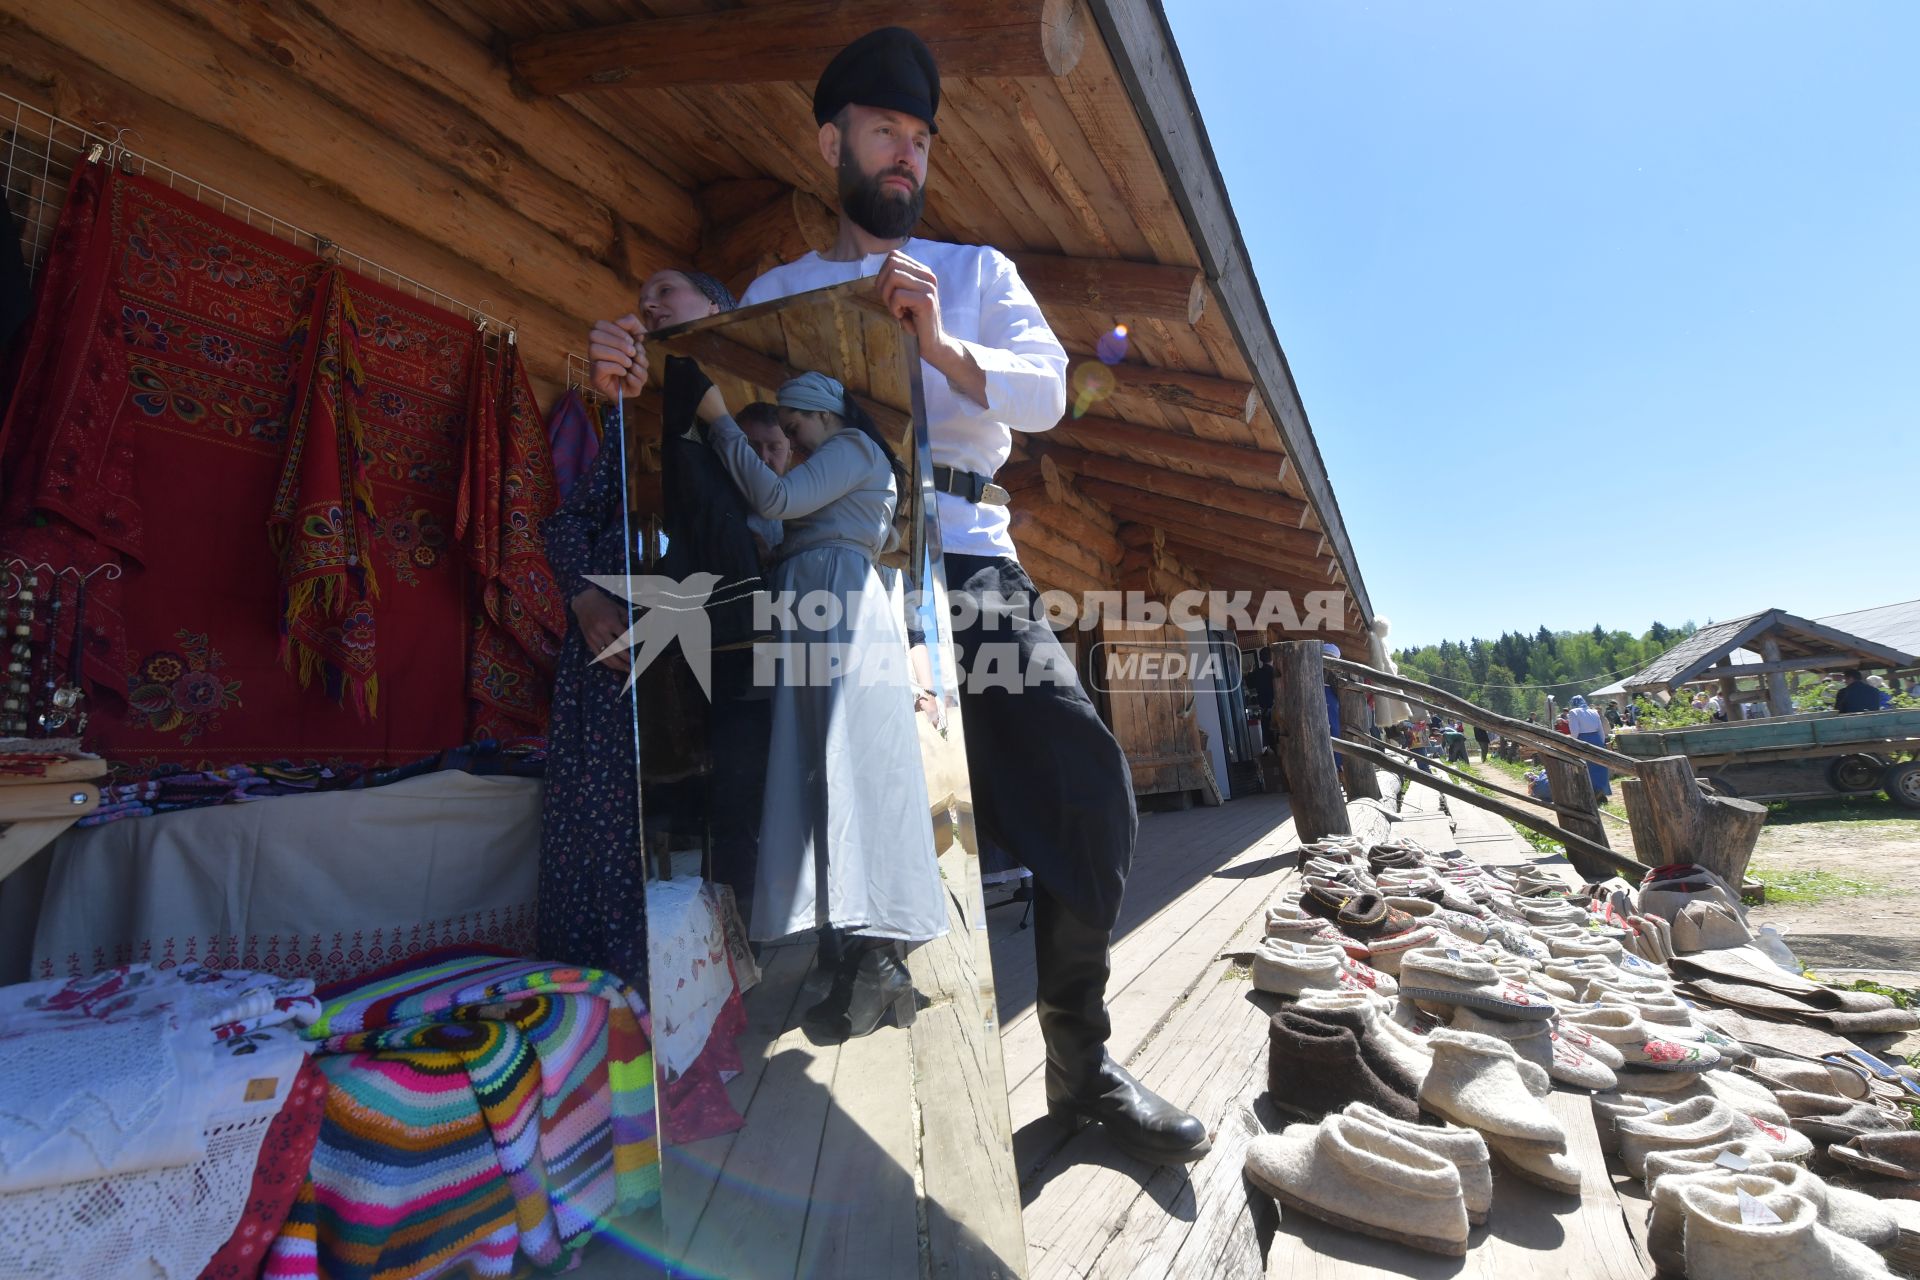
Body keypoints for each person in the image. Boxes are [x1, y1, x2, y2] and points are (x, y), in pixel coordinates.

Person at [587, 27, 1208, 1164]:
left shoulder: (974, 273)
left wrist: (943, 344)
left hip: (965, 558)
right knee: (795, 790)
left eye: (919, 138)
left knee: (1088, 790)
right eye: (884, 132)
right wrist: (642, 372)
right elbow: (721, 421)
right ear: (834, 141)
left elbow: (1050, 391)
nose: (905, 155)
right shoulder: (778, 290)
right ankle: (791, 1065)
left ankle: (1082, 1071)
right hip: (828, 576)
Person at [695, 367, 945, 1038]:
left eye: (794, 421)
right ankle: (857, 951)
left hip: (836, 605)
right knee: (821, 777)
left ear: (821, 413)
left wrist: (721, 420)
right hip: (817, 606)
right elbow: (779, 518)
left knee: (851, 776)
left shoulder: (853, 449)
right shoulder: (836, 462)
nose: (789, 432)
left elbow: (775, 497)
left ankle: (878, 958)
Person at [541, 266, 743, 987]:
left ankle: (702, 1004)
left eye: (667, 293)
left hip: (716, 654)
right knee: (602, 836)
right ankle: (599, 1008)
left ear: (721, 312)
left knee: (723, 820)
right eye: (641, 298)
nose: (647, 305)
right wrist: (583, 599)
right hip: (614, 661)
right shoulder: (620, 415)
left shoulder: (740, 423)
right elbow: (565, 523)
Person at [1563, 694, 1613, 801]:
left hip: (1583, 740)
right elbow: (1600, 730)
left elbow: (1575, 731)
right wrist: (1602, 743)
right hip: (1597, 740)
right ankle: (1601, 792)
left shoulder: (1573, 712)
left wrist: (1572, 744)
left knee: (1587, 768)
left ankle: (1591, 793)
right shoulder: (1593, 712)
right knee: (1599, 767)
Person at [1247, 647, 1277, 749]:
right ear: (1273, 657)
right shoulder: (1276, 673)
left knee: (1270, 740)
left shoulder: (1257, 673)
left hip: (1264, 711)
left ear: (1260, 659)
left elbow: (1250, 685)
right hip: (1277, 710)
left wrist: (1250, 671)